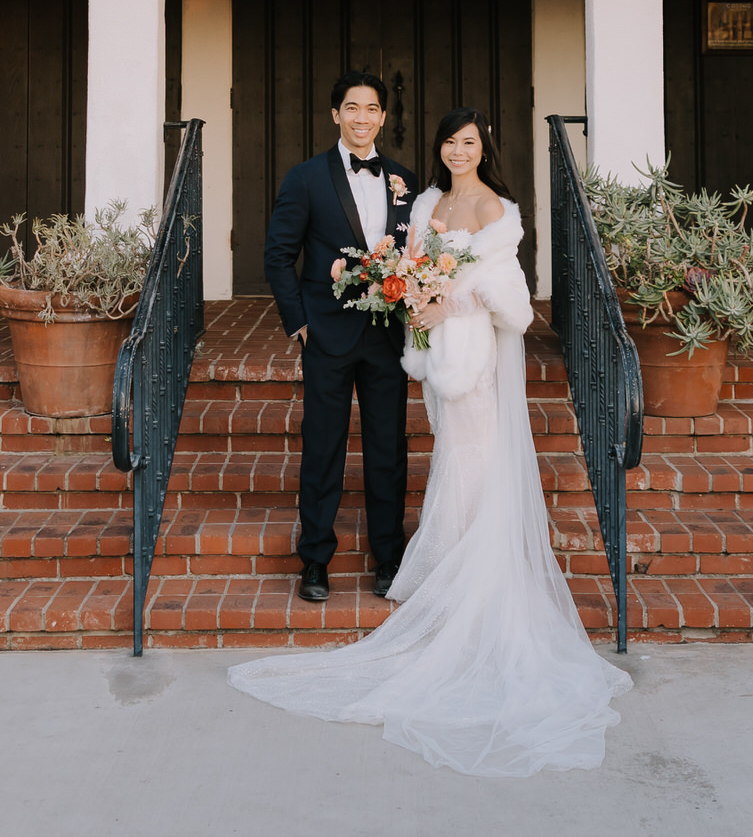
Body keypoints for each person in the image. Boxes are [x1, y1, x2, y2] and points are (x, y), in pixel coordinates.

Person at [231, 107, 631, 777]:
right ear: (336, 114)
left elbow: (511, 296)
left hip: (464, 352)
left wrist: (450, 302)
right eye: (449, 140)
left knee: (447, 456)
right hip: (405, 345)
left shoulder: (494, 207)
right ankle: (319, 561)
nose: (457, 150)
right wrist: (384, 303)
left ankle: (451, 576)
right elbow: (342, 256)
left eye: (469, 141)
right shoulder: (417, 199)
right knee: (393, 452)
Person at [261, 71, 418, 604]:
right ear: (336, 115)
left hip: (386, 338)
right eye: (352, 108)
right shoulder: (305, 178)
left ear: (382, 117)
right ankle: (315, 560)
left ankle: (389, 557)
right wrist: (297, 320)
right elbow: (278, 254)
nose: (361, 118)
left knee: (386, 450)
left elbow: (414, 254)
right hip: (325, 333)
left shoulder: (404, 180)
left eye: (372, 109)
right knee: (322, 448)